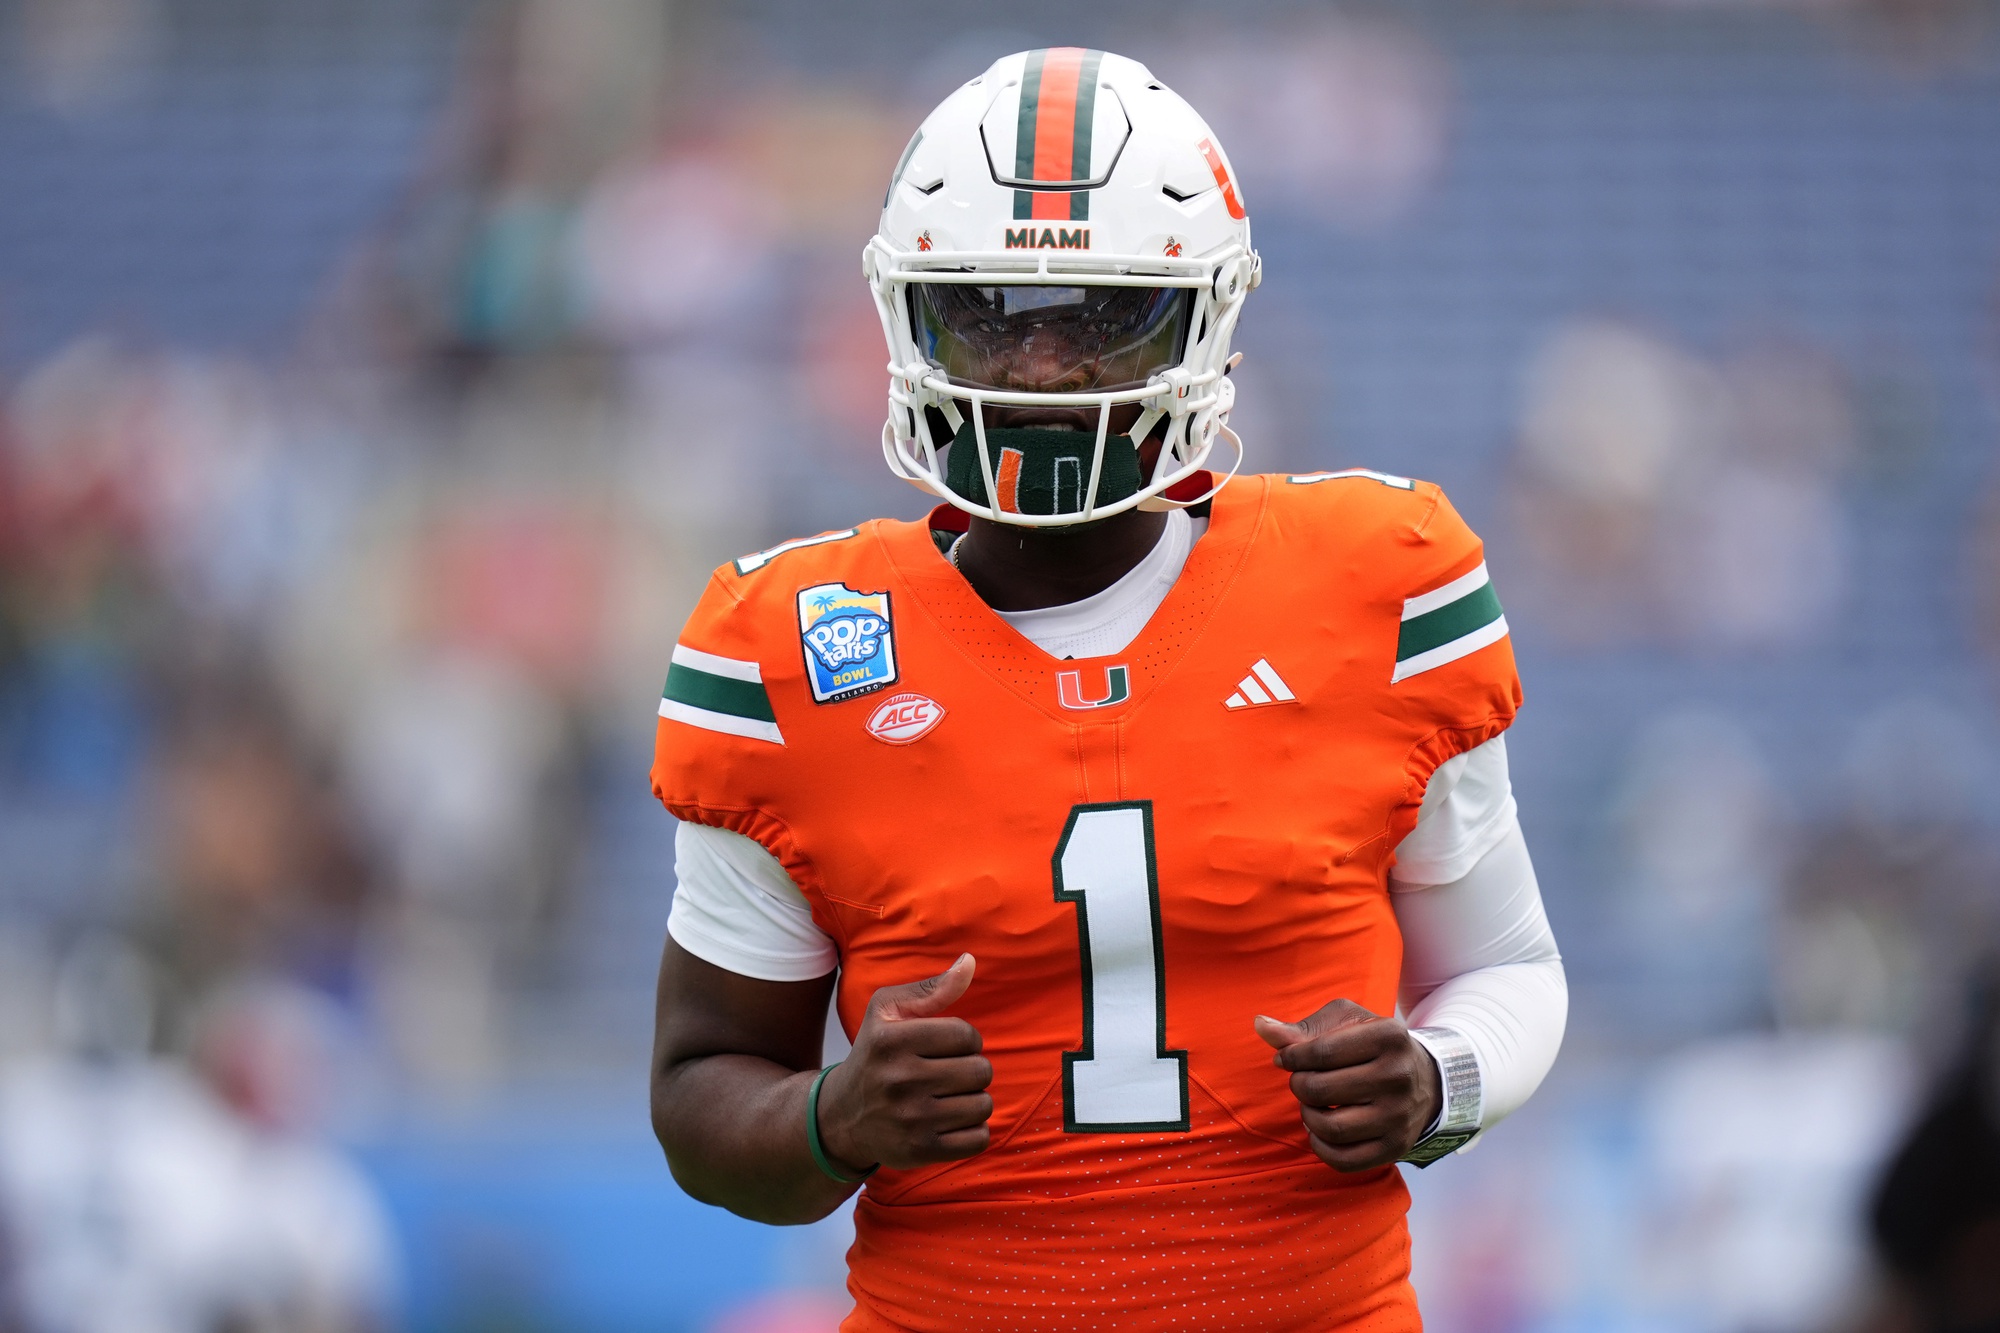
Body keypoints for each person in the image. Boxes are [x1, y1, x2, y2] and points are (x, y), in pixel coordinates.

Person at [649, 48, 1566, 1332]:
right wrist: (830, 1115)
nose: (1040, 369)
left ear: (1204, 320)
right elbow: (701, 1091)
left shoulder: (1378, 580)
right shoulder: (794, 647)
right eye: (990, 315)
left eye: (1099, 317)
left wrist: (1434, 1077)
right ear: (908, 316)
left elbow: (1510, 967)